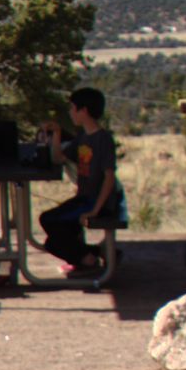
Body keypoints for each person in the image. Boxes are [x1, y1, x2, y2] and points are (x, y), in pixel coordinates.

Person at [38, 86, 128, 273]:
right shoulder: (83, 137)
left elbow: (109, 178)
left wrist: (95, 210)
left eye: (73, 108)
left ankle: (88, 259)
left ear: (84, 110)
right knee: (53, 243)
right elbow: (58, 158)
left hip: (96, 201)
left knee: (49, 220)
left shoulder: (103, 139)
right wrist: (56, 133)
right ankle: (96, 253)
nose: (70, 113)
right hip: (84, 199)